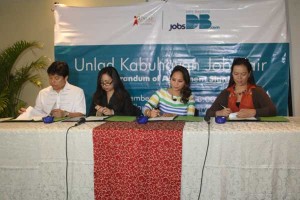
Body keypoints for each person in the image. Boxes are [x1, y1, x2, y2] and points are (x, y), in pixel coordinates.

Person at [206, 57, 277, 118]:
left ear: (249, 74)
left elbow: (272, 110)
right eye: (236, 74)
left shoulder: (257, 91)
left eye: (243, 74)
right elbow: (208, 113)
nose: (239, 77)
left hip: (254, 130)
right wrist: (219, 113)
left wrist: (254, 112)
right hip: (230, 131)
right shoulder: (226, 93)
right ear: (232, 74)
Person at [18, 61, 86, 118]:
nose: (52, 81)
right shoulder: (43, 93)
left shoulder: (77, 92)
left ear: (66, 78)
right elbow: (37, 114)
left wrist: (65, 114)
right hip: (45, 130)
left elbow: (81, 115)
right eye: (50, 78)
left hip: (69, 130)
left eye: (56, 78)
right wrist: (28, 113)